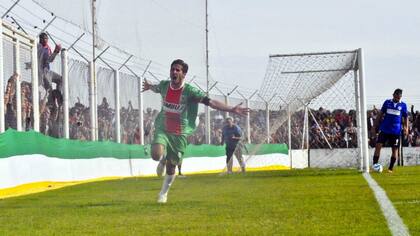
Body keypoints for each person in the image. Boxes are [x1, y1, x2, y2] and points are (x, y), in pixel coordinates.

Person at [142, 59, 249, 203]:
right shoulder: (164, 85)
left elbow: (211, 102)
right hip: (163, 125)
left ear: (184, 74)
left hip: (179, 131)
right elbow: (156, 88)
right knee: (155, 154)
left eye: (177, 70)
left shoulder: (190, 91)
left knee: (172, 166)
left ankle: (163, 193)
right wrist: (149, 86)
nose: (174, 72)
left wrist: (231, 109)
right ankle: (161, 158)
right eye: (172, 69)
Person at [372, 89, 408, 173]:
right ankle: (374, 165)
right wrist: (374, 126)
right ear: (393, 95)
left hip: (395, 131)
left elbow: (406, 117)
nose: (397, 98)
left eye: (399, 97)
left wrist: (406, 128)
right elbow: (380, 114)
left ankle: (390, 169)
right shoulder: (387, 102)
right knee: (378, 146)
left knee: (395, 149)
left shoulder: (403, 105)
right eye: (396, 97)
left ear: (400, 97)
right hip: (384, 129)